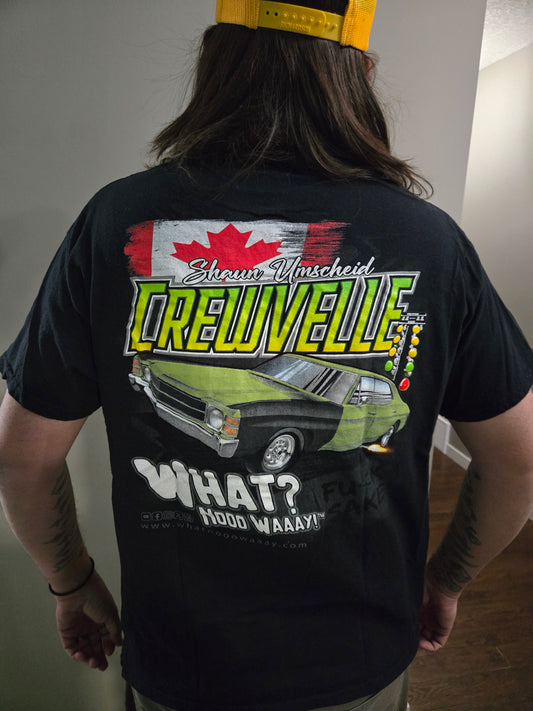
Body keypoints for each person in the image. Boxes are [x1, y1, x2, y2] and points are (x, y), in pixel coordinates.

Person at [1, 1, 532, 710]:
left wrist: (71, 582)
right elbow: (519, 458)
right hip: (359, 660)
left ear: (215, 61)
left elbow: (22, 457)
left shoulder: (115, 221)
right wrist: (444, 581)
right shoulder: (429, 241)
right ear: (361, 74)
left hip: (182, 666)